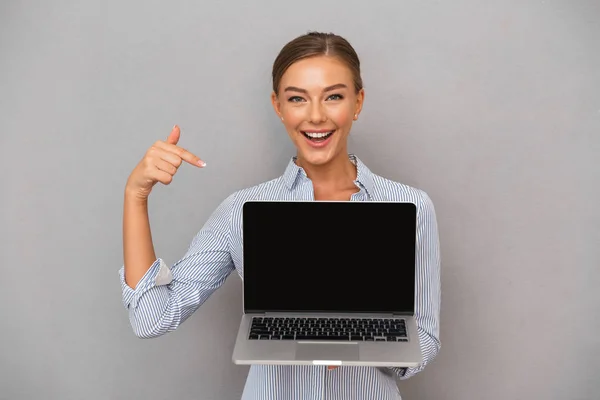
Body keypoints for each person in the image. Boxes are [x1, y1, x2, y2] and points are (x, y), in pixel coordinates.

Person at [119, 31, 441, 400]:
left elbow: (426, 337)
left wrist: (366, 348)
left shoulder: (411, 206)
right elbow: (151, 318)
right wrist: (136, 195)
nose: (316, 116)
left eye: (333, 96)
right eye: (297, 99)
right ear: (278, 106)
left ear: (358, 102)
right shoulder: (241, 211)